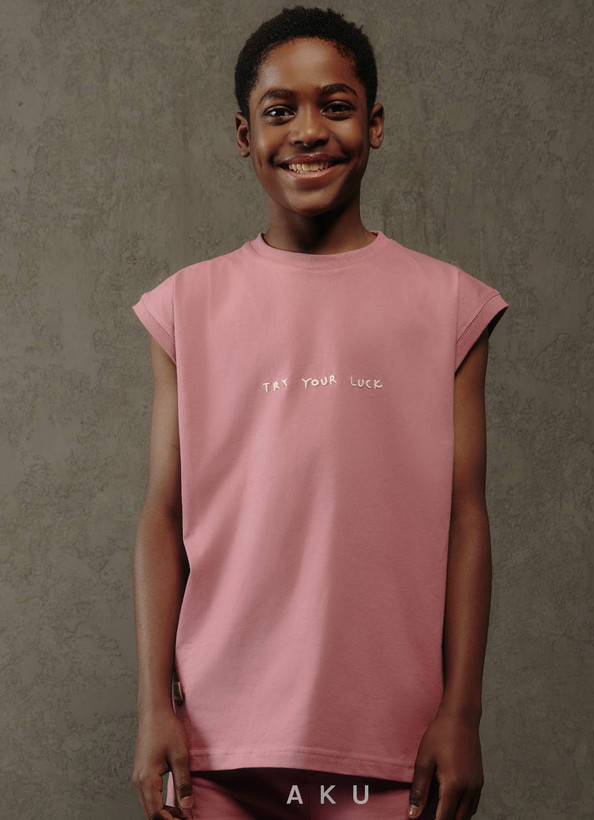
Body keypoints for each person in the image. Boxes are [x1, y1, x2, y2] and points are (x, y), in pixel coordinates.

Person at [130, 6, 509, 820]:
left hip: (391, 747)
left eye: (335, 107)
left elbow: (465, 519)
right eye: (280, 110)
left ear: (374, 125)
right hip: (218, 745)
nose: (308, 131)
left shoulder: (448, 304)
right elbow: (163, 515)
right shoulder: (186, 306)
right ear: (244, 135)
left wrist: (461, 713)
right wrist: (154, 707)